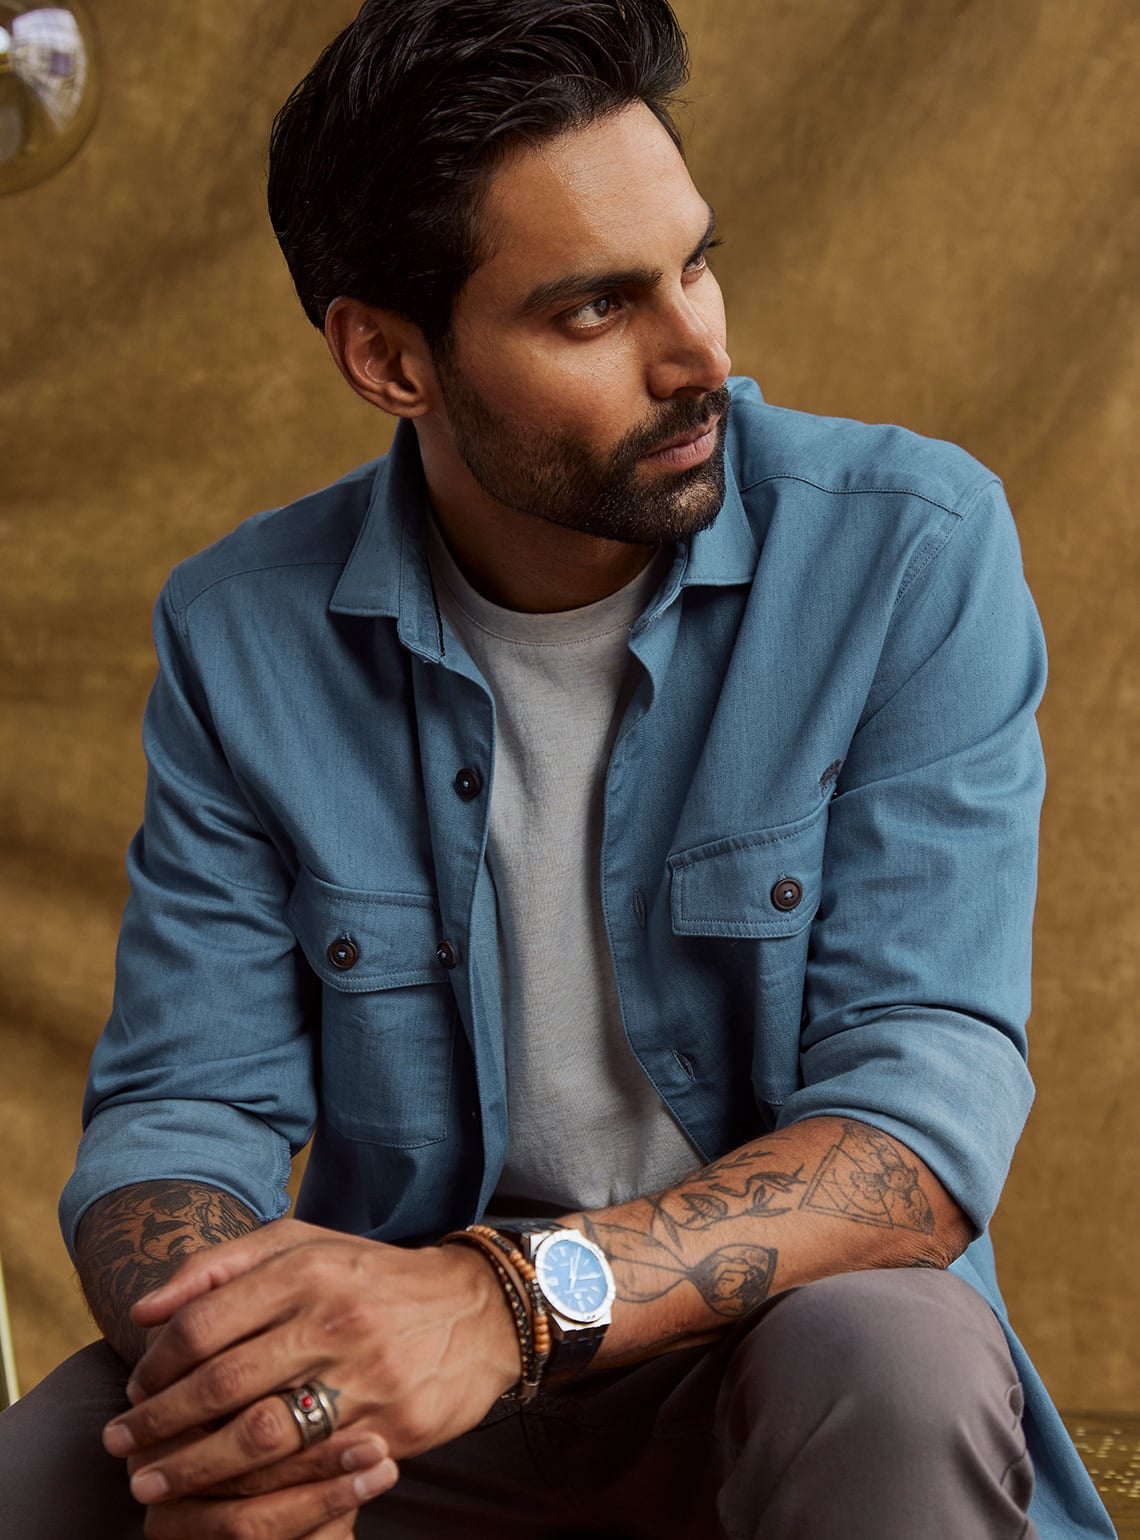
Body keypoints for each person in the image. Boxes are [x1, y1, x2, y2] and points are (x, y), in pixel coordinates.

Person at [0, 2, 1117, 1537]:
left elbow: (918, 1128)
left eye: (696, 264)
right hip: (413, 1398)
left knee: (891, 1356)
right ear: (389, 358)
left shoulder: (908, 552)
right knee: (66, 1464)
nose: (701, 353)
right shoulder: (240, 632)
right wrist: (261, 1395)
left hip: (767, 1349)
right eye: (594, 309)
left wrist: (511, 1298)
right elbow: (181, 1109)